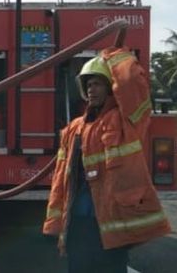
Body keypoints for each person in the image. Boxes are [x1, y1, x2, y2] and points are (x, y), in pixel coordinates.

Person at [43, 47, 171, 272]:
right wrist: (54, 223)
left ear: (111, 87)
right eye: (88, 85)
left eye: (98, 83)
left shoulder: (124, 121)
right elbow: (61, 180)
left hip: (109, 224)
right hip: (77, 224)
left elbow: (132, 83)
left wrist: (114, 56)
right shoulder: (74, 129)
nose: (92, 89)